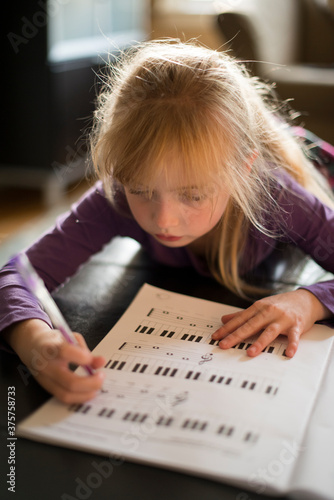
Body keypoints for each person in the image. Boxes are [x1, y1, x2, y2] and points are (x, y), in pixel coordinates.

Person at [1, 40, 334, 404]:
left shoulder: (279, 195)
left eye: (193, 194)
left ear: (243, 168)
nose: (163, 219)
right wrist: (34, 340)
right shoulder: (114, 194)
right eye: (142, 190)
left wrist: (309, 302)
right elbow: (19, 274)